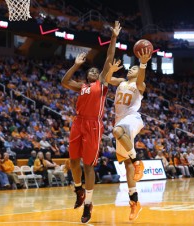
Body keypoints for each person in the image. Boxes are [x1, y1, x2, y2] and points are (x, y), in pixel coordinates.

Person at [61, 21, 121, 223]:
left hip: (93, 125)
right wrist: (76, 64)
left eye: (96, 72)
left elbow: (109, 58)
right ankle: (78, 190)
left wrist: (113, 37)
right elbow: (64, 82)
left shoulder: (101, 84)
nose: (94, 73)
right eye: (91, 71)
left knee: (88, 166)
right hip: (78, 123)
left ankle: (88, 205)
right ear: (87, 74)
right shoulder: (81, 86)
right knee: (73, 162)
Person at [104, 47, 151, 221]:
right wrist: (111, 69)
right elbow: (108, 79)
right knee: (127, 166)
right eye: (130, 68)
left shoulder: (139, 85)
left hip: (133, 118)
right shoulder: (122, 82)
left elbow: (141, 78)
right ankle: (135, 202)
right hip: (121, 123)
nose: (131, 69)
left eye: (135, 68)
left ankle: (138, 160)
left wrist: (143, 64)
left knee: (116, 131)